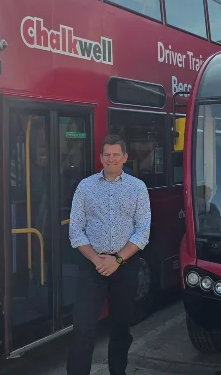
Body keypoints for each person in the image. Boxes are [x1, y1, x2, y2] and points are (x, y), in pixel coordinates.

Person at [66, 134, 151, 375]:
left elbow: (142, 231)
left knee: (120, 328)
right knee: (83, 328)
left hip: (125, 266)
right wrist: (96, 259)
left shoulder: (138, 188)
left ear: (125, 157)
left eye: (116, 154)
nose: (111, 159)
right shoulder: (85, 187)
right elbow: (75, 230)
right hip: (91, 266)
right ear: (100, 158)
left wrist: (118, 259)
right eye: (106, 155)